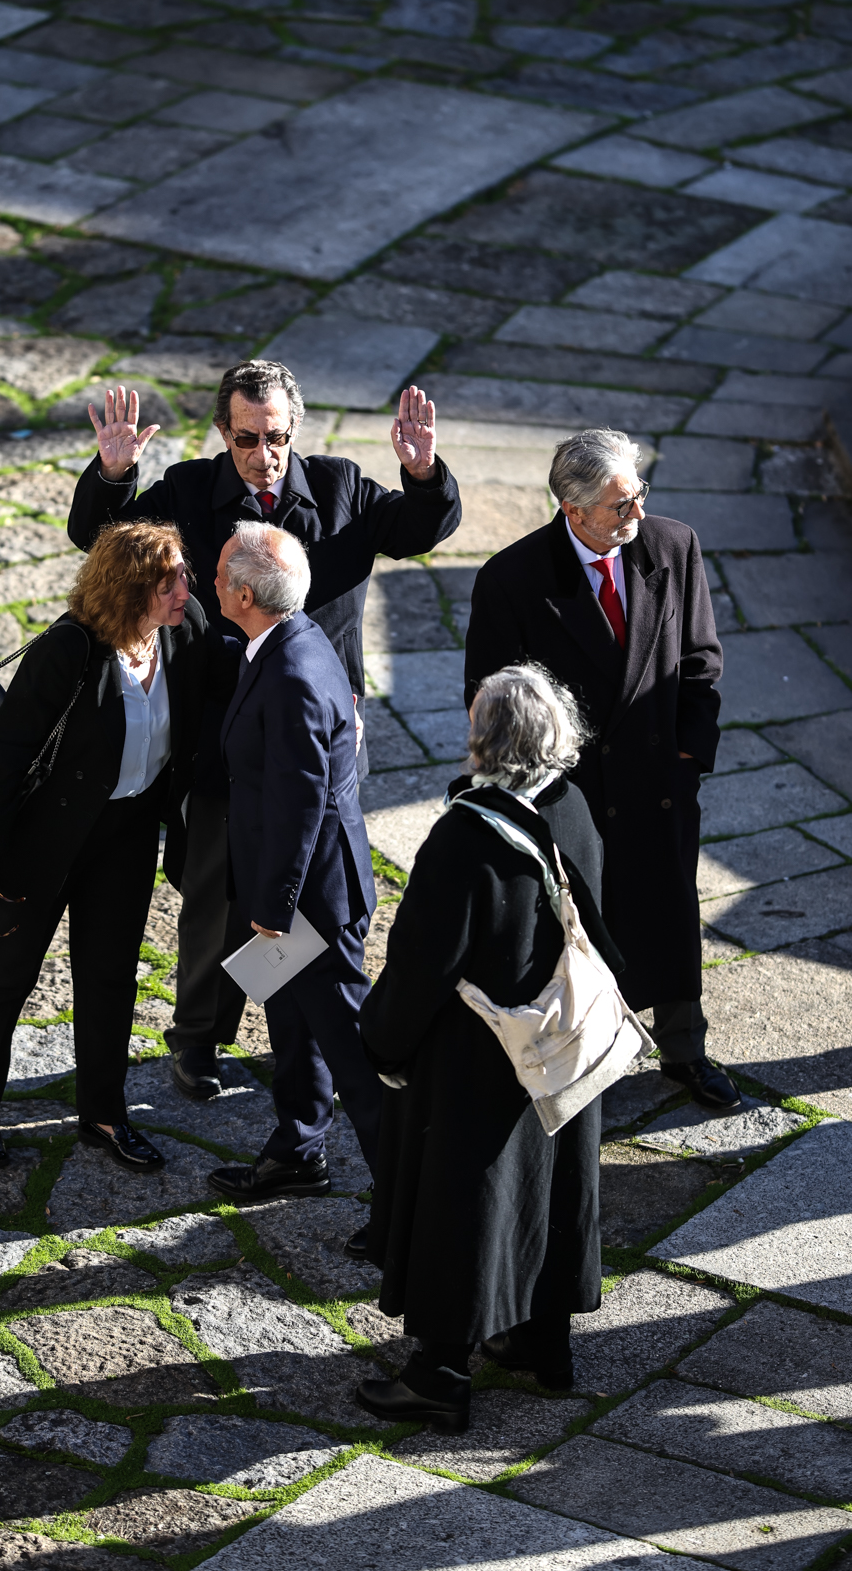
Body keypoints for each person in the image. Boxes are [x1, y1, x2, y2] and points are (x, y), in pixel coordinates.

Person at [68, 361, 461, 1106]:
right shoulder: (188, 491)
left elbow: (419, 530)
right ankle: (198, 1038)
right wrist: (113, 475)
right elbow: (103, 542)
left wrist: (422, 473)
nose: (263, 454)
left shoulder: (340, 488)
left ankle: (312, 1045)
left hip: (321, 733)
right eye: (247, 438)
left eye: (276, 437)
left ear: (294, 430)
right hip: (223, 734)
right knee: (216, 893)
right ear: (224, 431)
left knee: (316, 889)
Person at [356, 665, 613, 1432]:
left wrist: (383, 1045)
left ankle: (438, 1375)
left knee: (462, 1211)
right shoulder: (571, 807)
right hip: (557, 1049)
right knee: (544, 1198)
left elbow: (420, 966)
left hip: (476, 1061)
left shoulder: (464, 837)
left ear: (486, 740)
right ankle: (538, 1342)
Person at [0, 520, 235, 1171]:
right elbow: (5, 753)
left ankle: (104, 1114)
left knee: (110, 977)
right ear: (130, 589)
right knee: (8, 975)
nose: (184, 591)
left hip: (126, 834)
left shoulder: (184, 628)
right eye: (168, 583)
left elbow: (232, 682)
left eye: (183, 577)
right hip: (42, 839)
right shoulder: (69, 649)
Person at [463, 429, 735, 1113]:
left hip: (659, 783)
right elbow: (491, 699)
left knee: (670, 916)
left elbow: (700, 661)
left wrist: (686, 757)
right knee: (579, 931)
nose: (636, 513)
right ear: (572, 508)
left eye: (638, 495)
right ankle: (588, 1060)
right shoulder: (512, 579)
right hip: (572, 796)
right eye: (620, 505)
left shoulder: (672, 546)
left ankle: (684, 1050)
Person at [204, 522, 381, 1239]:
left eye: (220, 572)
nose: (211, 580)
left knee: (354, 1056)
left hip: (313, 900)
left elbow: (300, 802)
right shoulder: (289, 641)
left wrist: (274, 907)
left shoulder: (291, 673)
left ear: (245, 596)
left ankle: (405, 1201)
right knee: (293, 1027)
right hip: (295, 890)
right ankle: (297, 1154)